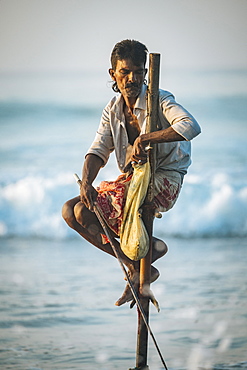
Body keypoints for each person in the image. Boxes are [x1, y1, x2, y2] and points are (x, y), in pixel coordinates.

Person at [62, 39, 201, 306]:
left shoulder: (160, 99)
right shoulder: (113, 110)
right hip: (133, 181)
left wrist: (148, 137)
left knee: (82, 211)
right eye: (124, 72)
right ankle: (137, 268)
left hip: (163, 180)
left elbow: (190, 126)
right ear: (113, 74)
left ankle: (144, 265)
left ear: (145, 73)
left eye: (138, 71)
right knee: (72, 210)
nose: (132, 78)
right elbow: (97, 151)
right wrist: (87, 183)